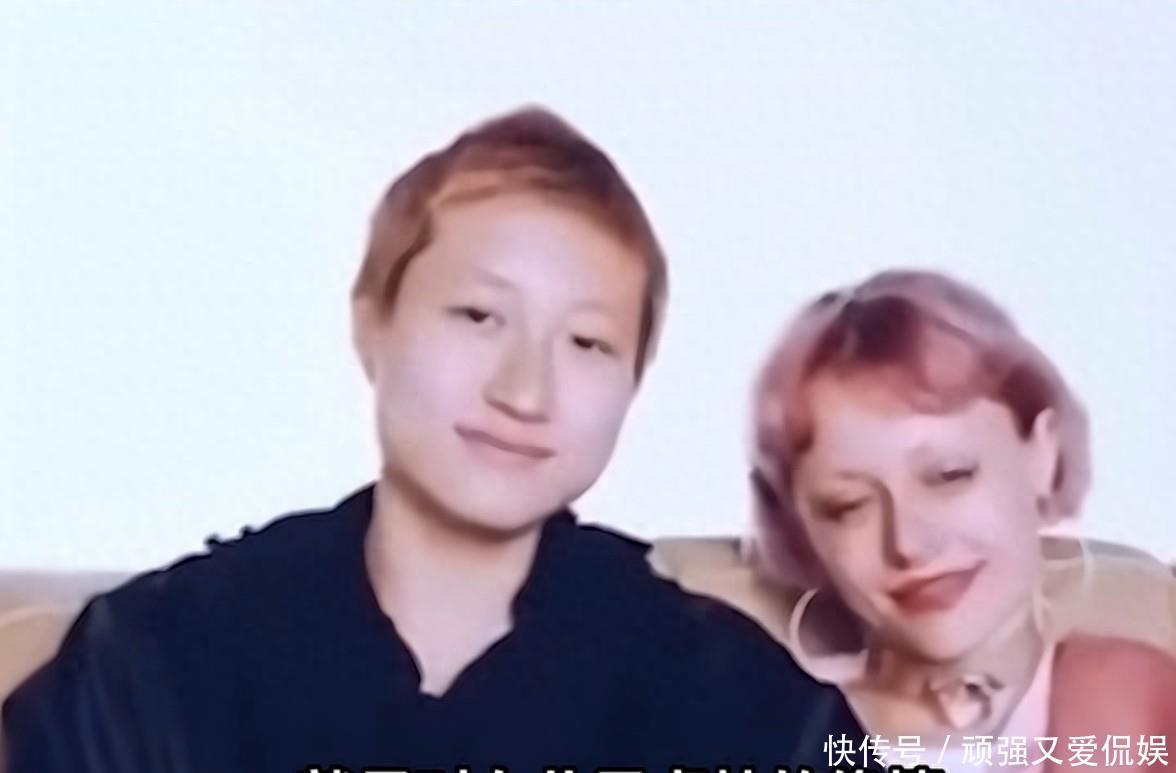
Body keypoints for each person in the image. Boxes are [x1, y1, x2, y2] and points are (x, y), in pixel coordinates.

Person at [2, 107, 862, 773]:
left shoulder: (731, 695)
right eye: (478, 316)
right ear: (371, 322)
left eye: (588, 342)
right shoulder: (165, 655)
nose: (524, 391)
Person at [653, 269, 1176, 772]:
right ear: (799, 531)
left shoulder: (1133, 701)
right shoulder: (762, 728)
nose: (909, 543)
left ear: (1044, 454)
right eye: (848, 506)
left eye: (950, 475)